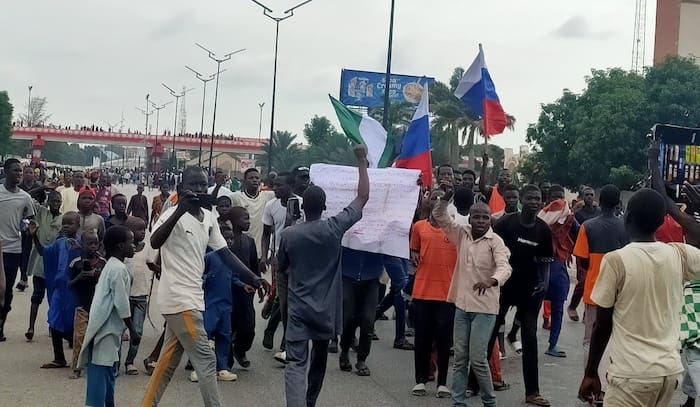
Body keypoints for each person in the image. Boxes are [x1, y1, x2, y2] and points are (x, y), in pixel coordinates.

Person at [141, 166, 266, 407]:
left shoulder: (208, 217)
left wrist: (253, 277)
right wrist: (179, 211)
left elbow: (225, 254)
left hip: (195, 298)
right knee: (208, 361)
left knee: (166, 364)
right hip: (179, 300)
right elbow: (155, 241)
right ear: (180, 189)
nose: (198, 190)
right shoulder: (171, 215)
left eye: (202, 185)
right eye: (193, 185)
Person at [578, 188, 700, 406]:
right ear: (662, 221)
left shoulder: (616, 261)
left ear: (627, 215)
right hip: (669, 373)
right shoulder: (679, 254)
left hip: (632, 375)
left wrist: (591, 372)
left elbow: (602, 325)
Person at [277, 145, 369, 407]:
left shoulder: (289, 235)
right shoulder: (334, 228)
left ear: (302, 206)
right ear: (325, 206)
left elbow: (281, 266)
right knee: (319, 358)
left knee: (295, 362)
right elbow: (363, 197)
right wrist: (361, 161)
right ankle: (310, 401)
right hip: (326, 310)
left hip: (298, 309)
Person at [433, 192, 512, 407]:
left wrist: (492, 281)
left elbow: (505, 267)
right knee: (460, 358)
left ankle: (489, 401)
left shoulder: (495, 241)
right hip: (461, 306)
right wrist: (444, 199)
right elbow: (440, 216)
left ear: (490, 219)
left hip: (485, 309)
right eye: (476, 217)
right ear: (469, 218)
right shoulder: (461, 233)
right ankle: (458, 402)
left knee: (477, 359)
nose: (480, 221)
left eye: (485, 217)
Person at [490, 184, 553, 406]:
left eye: (538, 199)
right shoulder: (506, 224)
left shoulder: (544, 230)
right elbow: (490, 252)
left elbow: (545, 263)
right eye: (530, 198)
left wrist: (543, 285)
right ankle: (473, 382)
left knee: (529, 337)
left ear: (541, 202)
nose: (534, 202)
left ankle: (532, 392)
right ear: (521, 200)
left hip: (529, 291)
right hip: (504, 287)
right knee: (490, 334)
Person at [77, 225, 140, 407]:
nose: (134, 245)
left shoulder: (112, 266)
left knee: (109, 372)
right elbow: (121, 303)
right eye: (130, 242)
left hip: (109, 330)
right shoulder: (118, 269)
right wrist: (133, 330)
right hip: (105, 331)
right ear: (120, 246)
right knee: (100, 371)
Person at [572, 184, 626, 389]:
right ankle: (611, 384)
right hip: (621, 293)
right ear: (618, 204)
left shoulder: (588, 226)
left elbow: (583, 261)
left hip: (595, 291)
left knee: (590, 340)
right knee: (616, 339)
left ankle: (592, 383)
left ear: (599, 202)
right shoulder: (625, 227)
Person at [408, 188, 458, 398]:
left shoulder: (455, 230)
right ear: (427, 201)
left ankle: (443, 382)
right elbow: (414, 252)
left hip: (447, 295)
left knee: (444, 340)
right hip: (422, 292)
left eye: (442, 198)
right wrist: (413, 255)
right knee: (422, 339)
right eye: (433, 197)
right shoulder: (419, 227)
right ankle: (420, 380)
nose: (437, 200)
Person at [29, 212, 82, 368]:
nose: (66, 226)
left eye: (70, 223)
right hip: (60, 290)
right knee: (54, 319)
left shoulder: (81, 243)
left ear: (78, 226)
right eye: (64, 223)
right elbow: (44, 252)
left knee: (74, 322)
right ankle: (59, 357)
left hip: (74, 290)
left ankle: (79, 357)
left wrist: (80, 247)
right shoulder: (59, 243)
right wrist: (34, 237)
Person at [261, 172, 303, 363]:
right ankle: (283, 340)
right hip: (281, 261)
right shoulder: (271, 206)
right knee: (285, 304)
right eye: (274, 185)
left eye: (279, 185)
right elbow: (266, 233)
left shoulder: (303, 204)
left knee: (295, 304)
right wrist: (264, 256)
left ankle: (287, 344)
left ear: (291, 185)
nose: (275, 188)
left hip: (302, 262)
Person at [202, 225, 253, 382]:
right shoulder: (209, 257)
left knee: (225, 336)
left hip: (226, 305)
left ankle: (222, 368)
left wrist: (243, 285)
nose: (230, 241)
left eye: (232, 238)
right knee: (206, 335)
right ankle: (202, 369)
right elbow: (199, 276)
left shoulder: (232, 259)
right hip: (211, 304)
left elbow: (233, 277)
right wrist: (207, 278)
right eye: (226, 238)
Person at [537, 185, 578, 358]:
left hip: (556, 263)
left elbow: (580, 232)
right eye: (556, 198)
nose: (560, 202)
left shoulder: (567, 217)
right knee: (531, 307)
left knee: (557, 307)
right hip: (544, 264)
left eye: (561, 198)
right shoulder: (539, 219)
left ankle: (552, 344)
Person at [0, 158, 36, 341]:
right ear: (6, 171)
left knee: (6, 291)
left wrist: (28, 227)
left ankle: (1, 325)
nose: (19, 174)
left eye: (20, 171)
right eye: (15, 171)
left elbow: (30, 219)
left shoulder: (25, 197)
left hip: (13, 249)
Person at [224, 207, 260, 370]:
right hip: (228, 290)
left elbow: (254, 266)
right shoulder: (224, 241)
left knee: (248, 327)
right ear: (233, 220)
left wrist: (258, 284)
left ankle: (240, 349)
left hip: (247, 292)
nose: (248, 222)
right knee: (228, 326)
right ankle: (228, 358)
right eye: (245, 219)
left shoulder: (250, 242)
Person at [25, 190, 64, 341]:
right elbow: (28, 197)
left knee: (54, 298)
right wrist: (42, 187)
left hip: (55, 265)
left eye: (58, 201)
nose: (55, 204)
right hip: (40, 263)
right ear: (48, 202)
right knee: (36, 296)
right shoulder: (41, 213)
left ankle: (53, 325)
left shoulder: (63, 219)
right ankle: (31, 327)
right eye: (53, 201)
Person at [68, 231, 105, 378]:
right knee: (79, 337)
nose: (93, 246)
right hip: (82, 306)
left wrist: (96, 275)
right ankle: (76, 367)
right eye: (89, 243)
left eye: (95, 243)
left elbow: (107, 282)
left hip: (99, 306)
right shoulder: (76, 263)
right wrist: (79, 277)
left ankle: (97, 366)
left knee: (99, 337)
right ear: (81, 244)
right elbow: (68, 284)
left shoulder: (103, 262)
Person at [123, 217, 152, 375]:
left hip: (141, 296)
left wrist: (158, 269)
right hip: (125, 296)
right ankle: (114, 361)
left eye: (144, 229)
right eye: (139, 229)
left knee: (138, 331)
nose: (143, 232)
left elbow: (150, 263)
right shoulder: (125, 250)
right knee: (120, 330)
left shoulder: (146, 247)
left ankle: (130, 361)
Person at [230, 168, 275, 257]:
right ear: (244, 181)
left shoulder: (268, 196)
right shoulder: (235, 197)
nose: (254, 180)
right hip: (241, 249)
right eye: (251, 178)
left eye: (257, 178)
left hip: (260, 252)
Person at [17, 165, 45, 292]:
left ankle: (26, 276)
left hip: (33, 222)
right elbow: (22, 197)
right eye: (26, 172)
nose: (29, 174)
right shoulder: (19, 187)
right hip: (19, 221)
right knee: (22, 251)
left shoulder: (38, 187)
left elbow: (43, 203)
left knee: (30, 252)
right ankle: (23, 276)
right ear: (23, 174)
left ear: (34, 175)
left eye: (31, 172)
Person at [479, 153, 513, 218]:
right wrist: (484, 165)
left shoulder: (513, 194)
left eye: (507, 176)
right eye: (502, 175)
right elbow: (482, 187)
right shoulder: (491, 191)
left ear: (511, 179)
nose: (504, 177)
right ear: (497, 178)